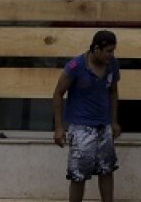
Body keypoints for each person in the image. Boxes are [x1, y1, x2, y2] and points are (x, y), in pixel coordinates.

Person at [53, 30, 121, 202]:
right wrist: (60, 127)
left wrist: (113, 121)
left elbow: (113, 91)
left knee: (107, 171)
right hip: (81, 128)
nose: (111, 55)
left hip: (104, 126)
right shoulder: (75, 66)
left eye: (113, 51)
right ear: (97, 49)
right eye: (108, 51)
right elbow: (58, 93)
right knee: (78, 175)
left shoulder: (112, 64)